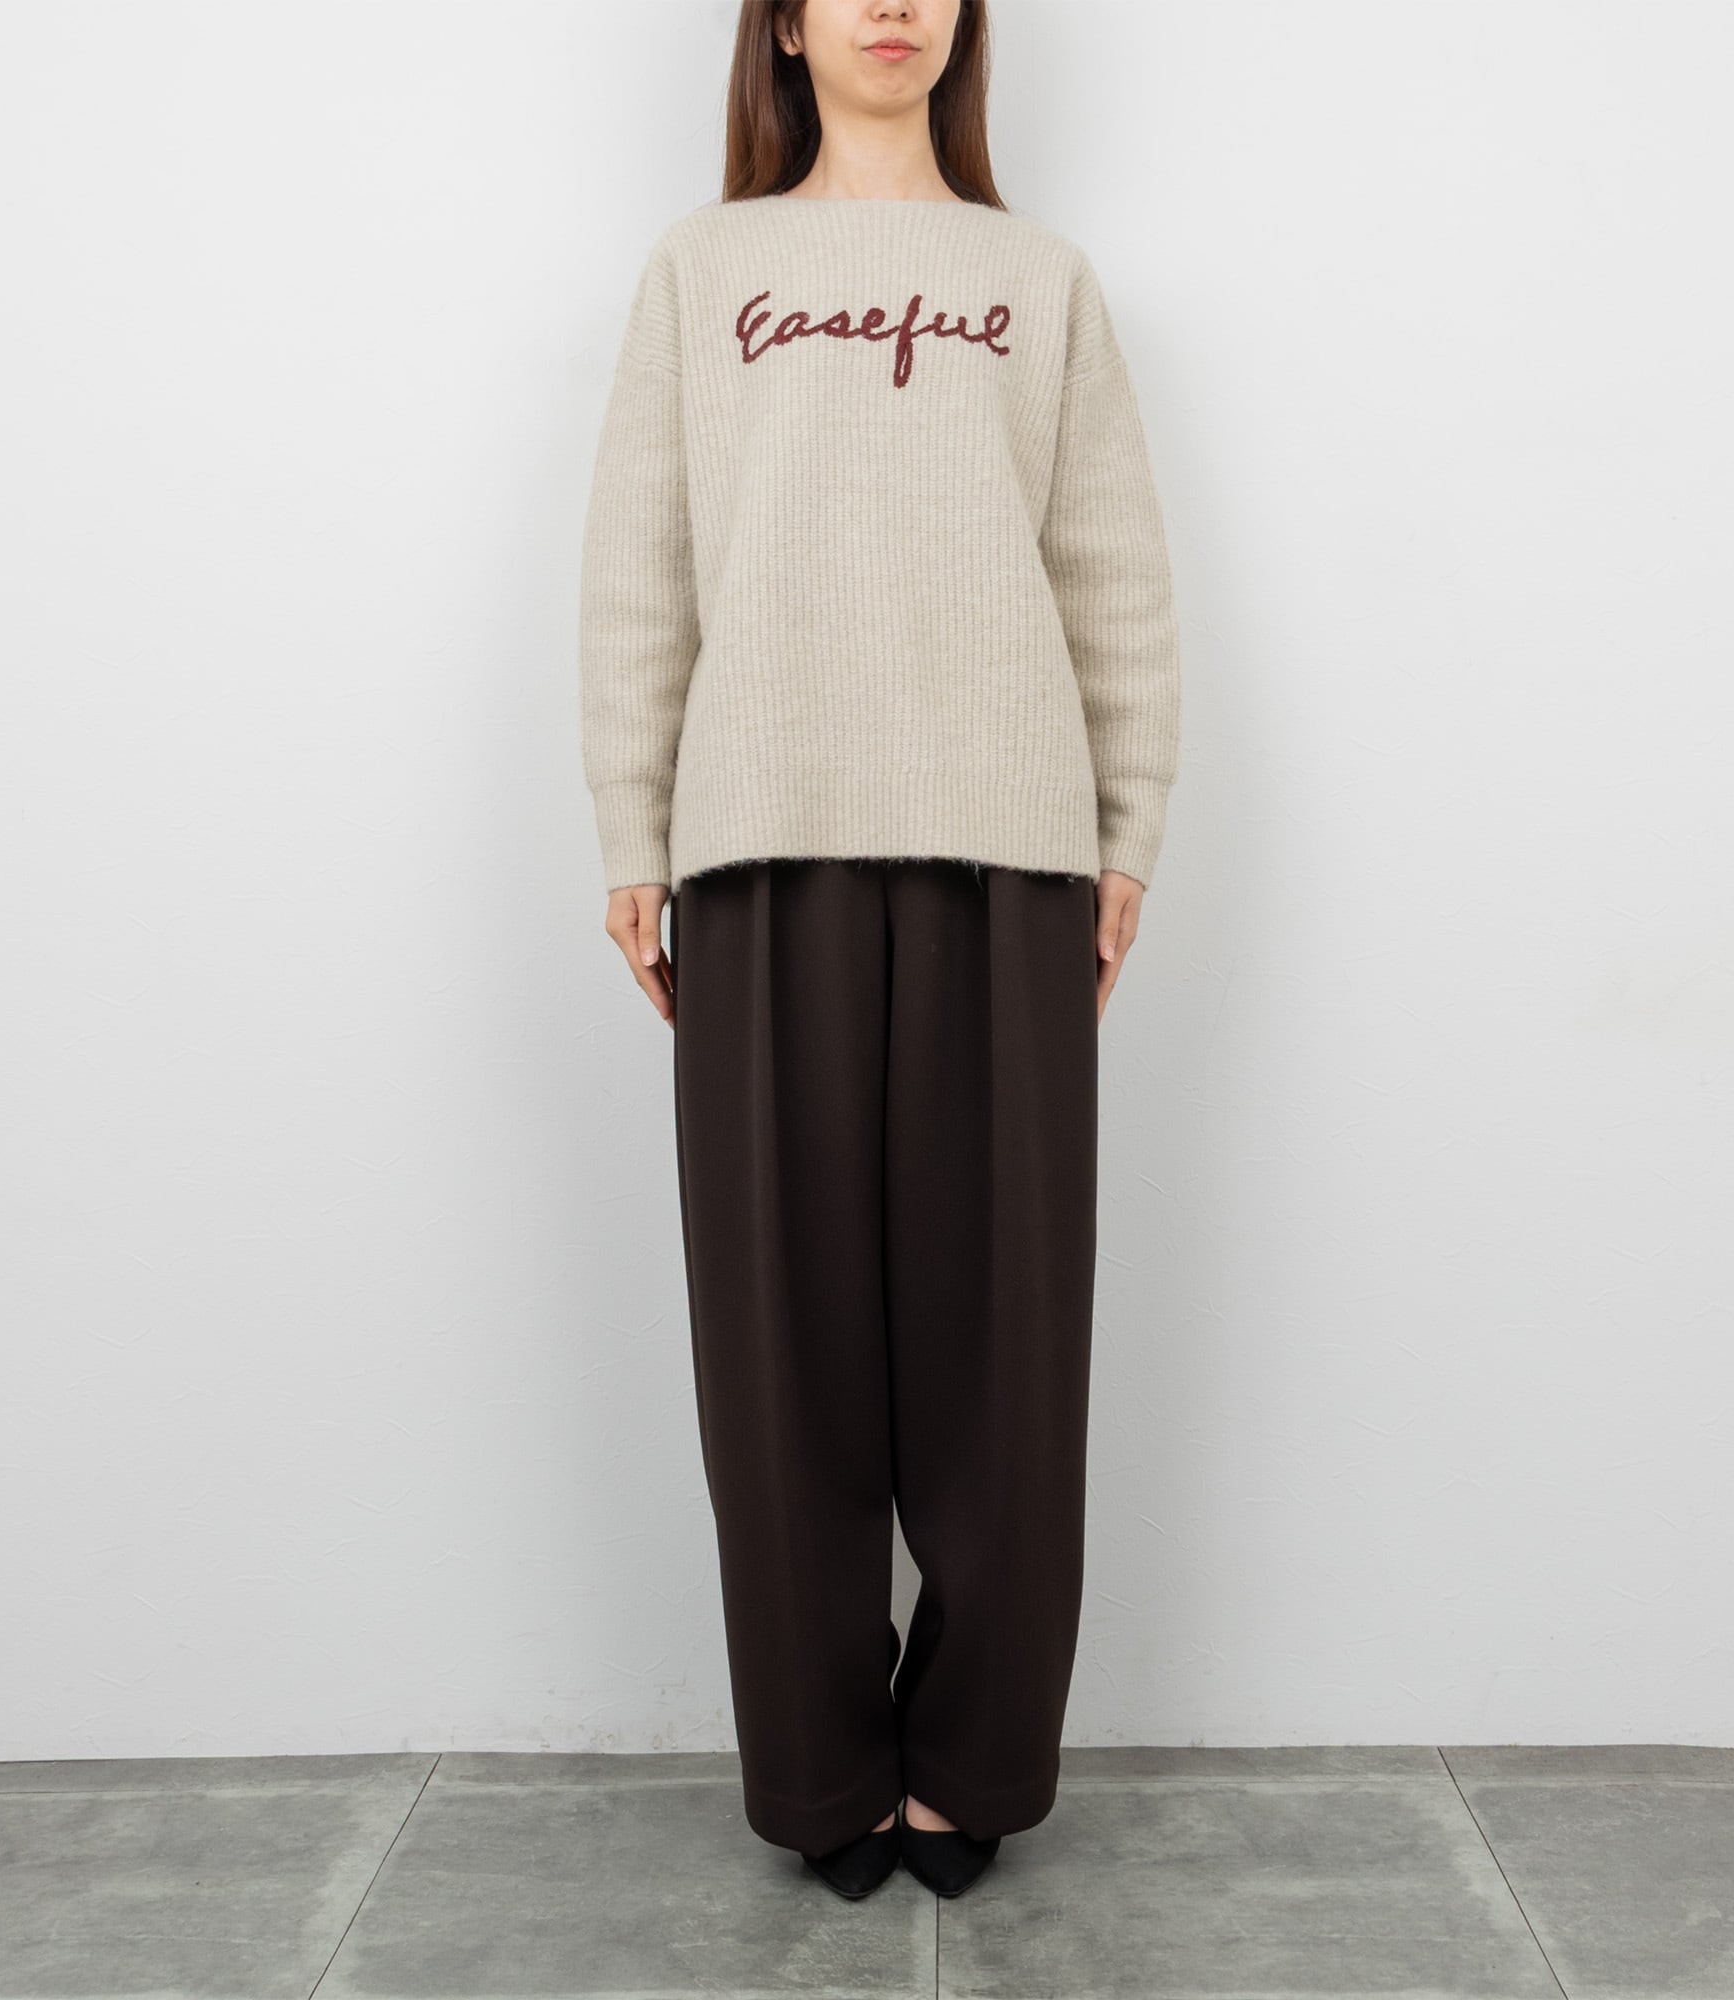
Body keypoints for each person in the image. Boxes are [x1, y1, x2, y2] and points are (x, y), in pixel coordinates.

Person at [576, 0, 1182, 1901]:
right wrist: (634, 830)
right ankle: (824, 1769)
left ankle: (970, 1761)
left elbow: (1111, 570)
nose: (894, 5)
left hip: (1010, 848)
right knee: (785, 1355)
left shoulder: (1038, 283)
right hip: (761, 845)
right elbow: (641, 567)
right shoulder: (705, 272)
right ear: (784, 26)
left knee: (1008, 1352)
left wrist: (1127, 829)